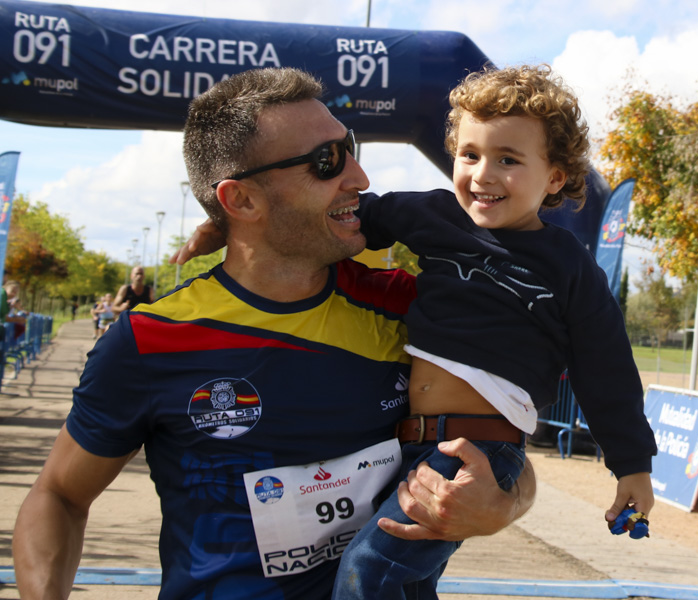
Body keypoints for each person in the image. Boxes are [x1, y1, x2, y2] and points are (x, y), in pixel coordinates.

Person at [12, 67, 535, 600]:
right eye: (326, 161)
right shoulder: (151, 339)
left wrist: (500, 506)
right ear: (240, 201)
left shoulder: (412, 307)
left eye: (349, 148)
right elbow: (58, 495)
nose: (359, 177)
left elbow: (503, 448)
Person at [331, 64, 656, 599]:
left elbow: (607, 370)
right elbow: (352, 216)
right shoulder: (435, 216)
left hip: (479, 451)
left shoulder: (567, 264)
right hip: (407, 444)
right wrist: (233, 223)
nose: (483, 173)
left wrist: (632, 467)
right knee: (407, 586)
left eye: (508, 159)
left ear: (554, 177)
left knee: (368, 572)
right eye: (470, 154)